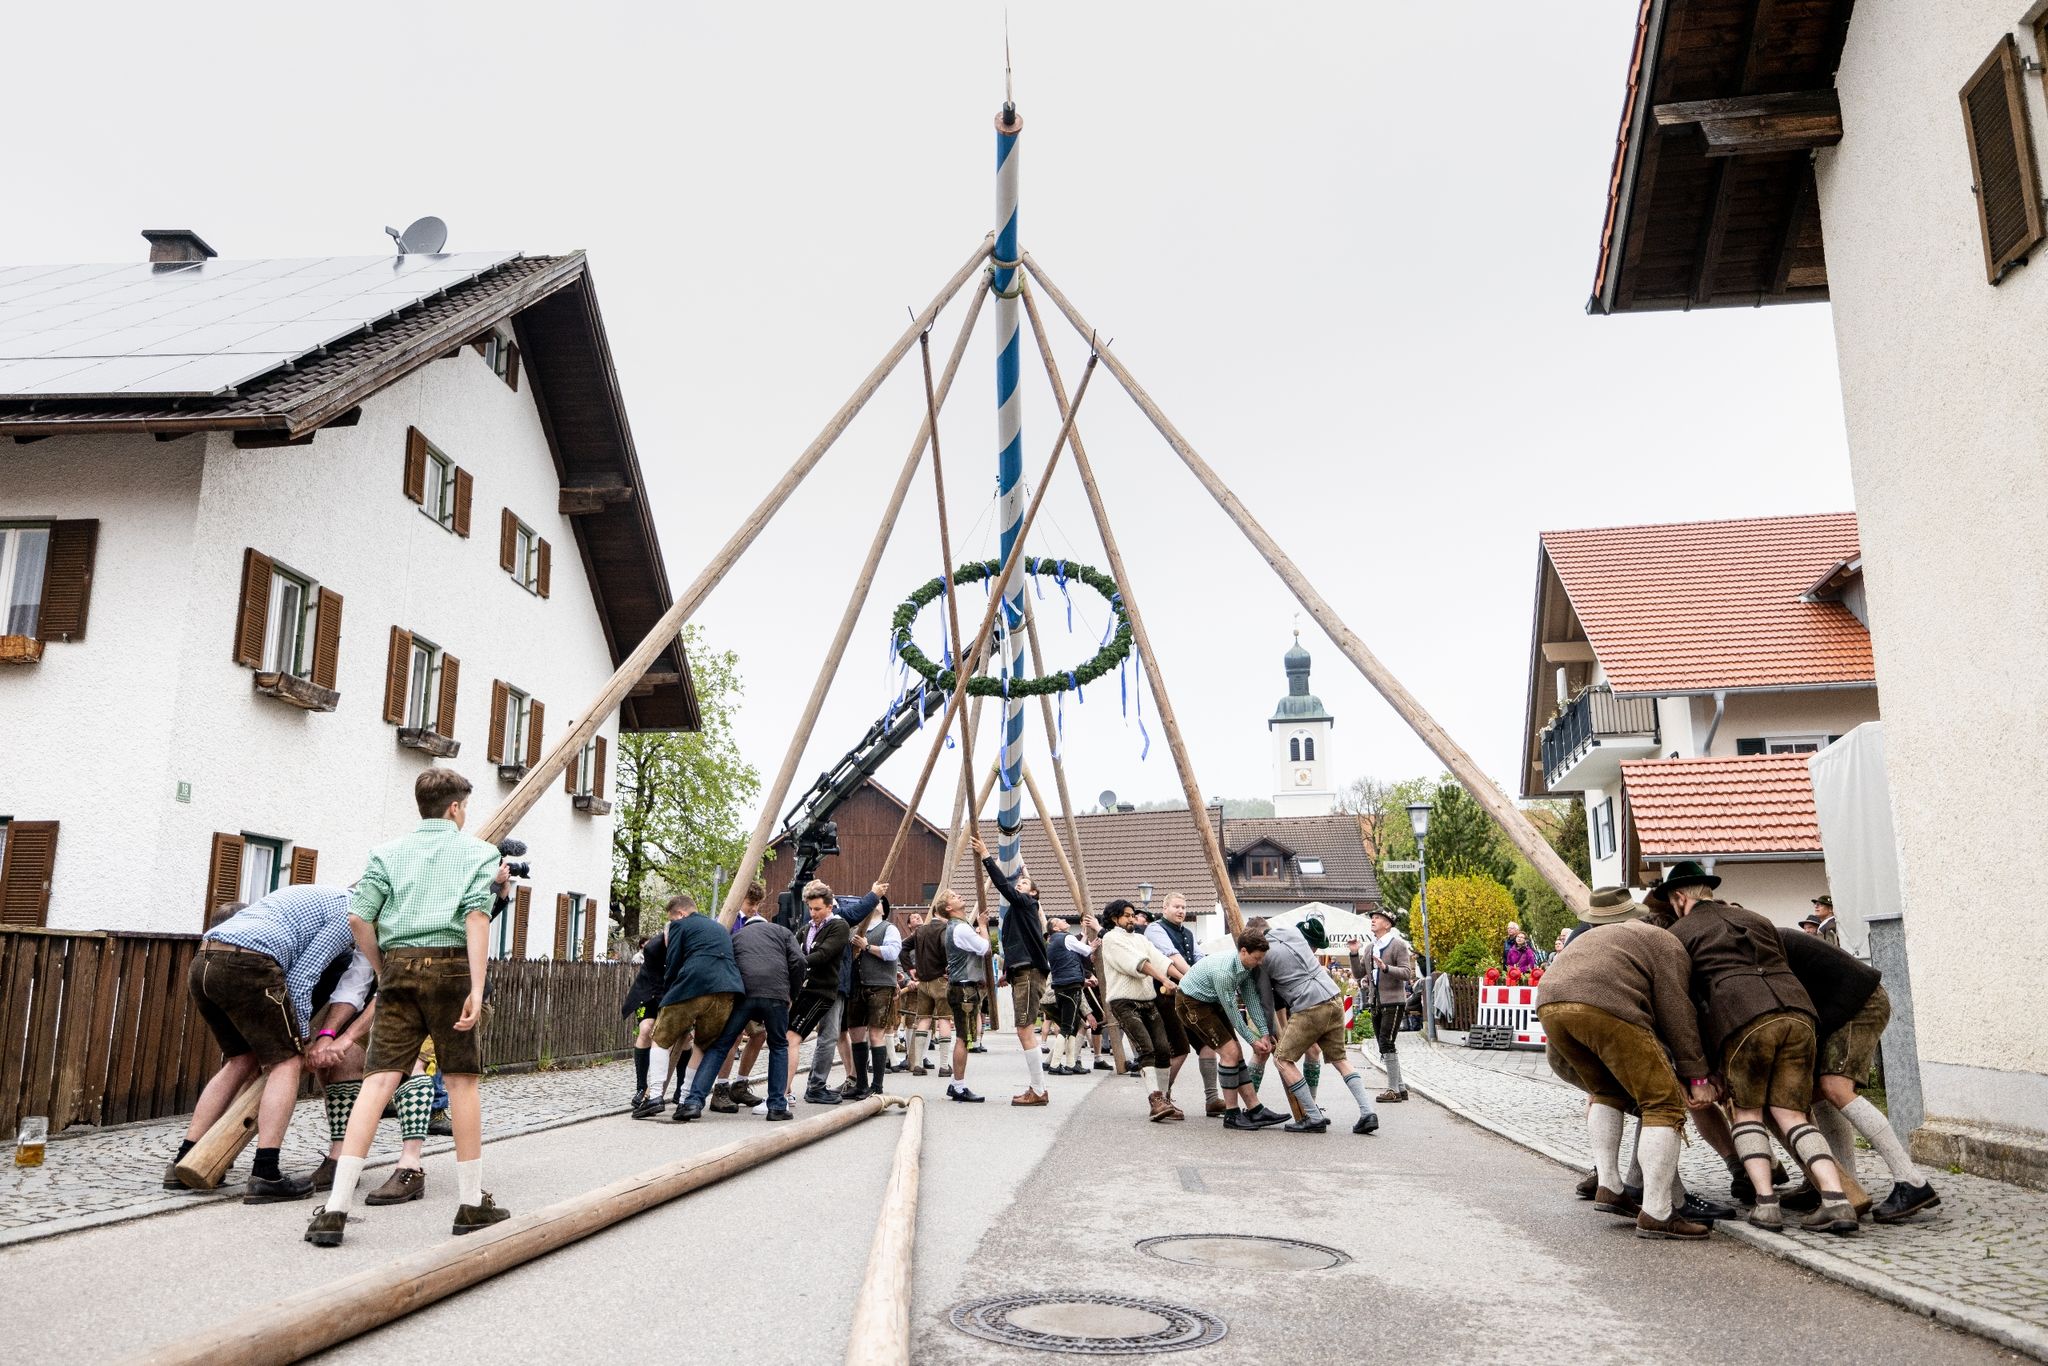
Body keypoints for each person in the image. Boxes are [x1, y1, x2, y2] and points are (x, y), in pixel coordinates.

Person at [306, 768, 508, 1248]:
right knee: (460, 1081)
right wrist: (476, 988)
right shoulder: (480, 853)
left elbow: (358, 917)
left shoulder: (387, 853)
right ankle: (470, 1202)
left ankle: (334, 1208)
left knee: (377, 1082)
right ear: (456, 808)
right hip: (453, 968)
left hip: (398, 966)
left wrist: (382, 969)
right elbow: (477, 917)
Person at [1659, 861, 1857, 1235]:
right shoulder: (1756, 917)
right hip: (1798, 1013)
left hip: (1741, 1018)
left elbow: (1686, 1003)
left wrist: (1699, 1066)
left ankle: (1767, 1205)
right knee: (1793, 1114)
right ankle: (1836, 1201)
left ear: (1680, 898)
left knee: (1747, 1112)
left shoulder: (1680, 933)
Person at [175, 887, 365, 1202]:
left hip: (205, 960)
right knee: (287, 1063)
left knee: (241, 1060)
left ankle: (184, 1160)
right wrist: (301, 1038)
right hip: (248, 962)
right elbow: (302, 980)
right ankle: (266, 1173)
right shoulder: (350, 912)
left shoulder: (314, 895)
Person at [1535, 906, 1713, 1241]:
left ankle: (1609, 1185)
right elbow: (1677, 1012)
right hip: (1604, 1004)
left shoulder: (1609, 934)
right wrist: (1696, 1074)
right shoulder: (1667, 943)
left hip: (1549, 1002)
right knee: (1663, 1103)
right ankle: (1658, 1212)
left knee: (1607, 1092)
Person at [1775, 926, 1939, 1222]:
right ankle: (1842, 1185)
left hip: (1859, 1003)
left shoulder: (1764, 944)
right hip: (1836, 1008)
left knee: (1835, 1086)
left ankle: (1911, 1181)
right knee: (1818, 1093)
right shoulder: (1763, 940)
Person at [676, 883, 808, 1122]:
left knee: (720, 1045)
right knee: (778, 1046)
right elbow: (799, 962)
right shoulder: (782, 933)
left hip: (744, 995)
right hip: (776, 995)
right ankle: (777, 1106)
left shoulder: (736, 936)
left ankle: (693, 1102)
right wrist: (792, 993)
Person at [1256, 916, 1378, 1135]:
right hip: (1333, 998)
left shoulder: (1262, 956)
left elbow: (1267, 1001)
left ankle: (1313, 1117)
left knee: (1282, 1060)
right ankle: (1367, 1112)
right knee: (1340, 1060)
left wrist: (1267, 1031)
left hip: (1308, 1006)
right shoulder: (1294, 933)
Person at [1177, 929, 1289, 1130]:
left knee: (1235, 1054)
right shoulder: (1224, 972)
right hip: (1191, 1002)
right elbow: (1233, 1013)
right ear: (1244, 951)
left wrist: (1263, 1032)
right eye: (1257, 958)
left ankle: (1255, 1109)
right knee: (1230, 1052)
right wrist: (1253, 1041)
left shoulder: (1245, 966)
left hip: (1210, 1001)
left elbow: (1251, 999)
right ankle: (1231, 1114)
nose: (1260, 962)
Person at [973, 835, 1053, 1106]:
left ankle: (1039, 1090)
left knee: (1024, 1029)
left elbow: (1003, 886)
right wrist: (1007, 971)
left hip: (1031, 972)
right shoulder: (1016, 917)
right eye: (1019, 883)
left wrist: (986, 856)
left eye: (1024, 884)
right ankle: (1037, 1087)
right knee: (1024, 1029)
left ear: (1033, 894)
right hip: (1023, 970)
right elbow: (1014, 944)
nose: (1019, 885)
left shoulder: (1028, 904)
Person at [1098, 899, 1183, 1122]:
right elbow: (1135, 964)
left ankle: (1165, 1099)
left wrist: (1185, 980)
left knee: (1164, 1049)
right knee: (1147, 1048)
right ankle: (1155, 1100)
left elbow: (1162, 960)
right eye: (1126, 915)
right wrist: (1164, 978)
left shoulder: (1141, 939)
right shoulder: (1111, 938)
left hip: (1147, 1000)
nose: (1131, 919)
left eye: (1133, 915)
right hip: (1123, 1002)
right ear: (1114, 918)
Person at [1145, 892, 1219, 1115]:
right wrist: (1196, 979)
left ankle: (1212, 1099)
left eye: (1184, 907)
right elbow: (1172, 957)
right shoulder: (1155, 929)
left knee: (1208, 1044)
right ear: (1164, 907)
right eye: (1176, 906)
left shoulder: (1187, 932)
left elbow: (1199, 958)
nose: (1181, 911)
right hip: (1166, 995)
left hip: (1190, 994)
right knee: (1179, 1048)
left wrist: (1210, 976)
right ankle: (1162, 1099)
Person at [789, 881, 854, 1106]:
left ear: (829, 906)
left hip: (828, 989)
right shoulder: (807, 928)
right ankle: (794, 1088)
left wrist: (798, 962)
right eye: (810, 909)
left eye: (817, 909)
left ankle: (816, 1085)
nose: (813, 913)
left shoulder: (839, 926)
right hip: (806, 989)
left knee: (828, 1037)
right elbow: (794, 948)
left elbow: (824, 954)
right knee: (794, 1036)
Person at [622, 899, 688, 1109]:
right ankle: (641, 1087)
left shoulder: (687, 946)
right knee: (646, 1029)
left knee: (684, 1037)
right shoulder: (653, 948)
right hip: (649, 991)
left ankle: (680, 1088)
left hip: (675, 992)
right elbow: (658, 981)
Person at [1348, 908, 1414, 1105]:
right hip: (1376, 1002)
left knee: (1386, 1042)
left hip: (1394, 1001)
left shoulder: (1398, 945)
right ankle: (1400, 1088)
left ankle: (1393, 1089)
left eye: (1377, 918)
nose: (1373, 920)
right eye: (1372, 918)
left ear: (1388, 924)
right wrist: (1353, 953)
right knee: (1384, 1044)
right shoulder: (1370, 948)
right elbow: (1360, 974)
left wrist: (1385, 967)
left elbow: (1406, 973)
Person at [846, 895, 903, 1100]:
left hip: (880, 985)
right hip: (856, 985)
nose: (874, 903)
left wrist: (867, 947)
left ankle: (877, 1086)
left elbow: (893, 952)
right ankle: (861, 1084)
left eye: (878, 901)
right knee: (856, 1034)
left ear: (883, 909)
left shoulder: (889, 928)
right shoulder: (854, 929)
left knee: (876, 1035)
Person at [939, 888, 993, 1102]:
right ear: (949, 908)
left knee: (965, 1036)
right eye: (954, 897)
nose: (959, 896)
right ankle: (958, 1086)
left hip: (962, 985)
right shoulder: (960, 929)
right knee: (964, 1037)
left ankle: (956, 1083)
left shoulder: (958, 927)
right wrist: (982, 927)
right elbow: (985, 948)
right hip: (964, 988)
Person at [907, 900, 953, 1078]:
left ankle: (918, 1064)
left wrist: (911, 968)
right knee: (944, 1020)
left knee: (923, 1019)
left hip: (923, 982)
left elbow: (904, 948)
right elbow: (946, 949)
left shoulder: (920, 930)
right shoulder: (944, 929)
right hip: (940, 980)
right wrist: (949, 969)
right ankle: (943, 1066)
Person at [1045, 914, 1095, 1075]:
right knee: (1067, 1027)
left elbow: (1076, 949)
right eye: (1061, 921)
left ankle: (1071, 1063)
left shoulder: (1054, 941)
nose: (1066, 921)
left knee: (1072, 1026)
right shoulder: (1066, 938)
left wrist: (1085, 935)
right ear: (1055, 928)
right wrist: (1093, 945)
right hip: (1071, 985)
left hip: (1061, 986)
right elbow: (1085, 950)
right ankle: (1055, 1065)